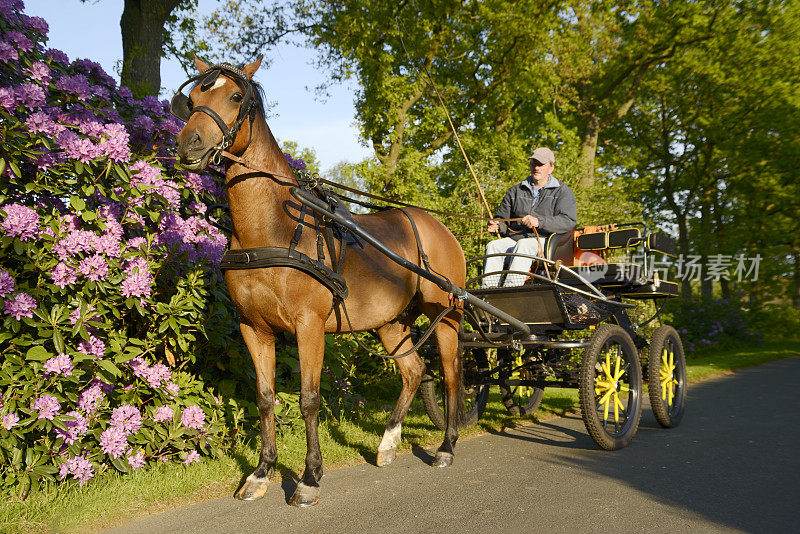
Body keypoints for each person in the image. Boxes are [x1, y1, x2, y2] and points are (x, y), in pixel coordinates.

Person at [483, 147, 577, 287]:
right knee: (493, 246)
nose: (536, 168)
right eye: (534, 163)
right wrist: (497, 226)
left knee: (524, 245)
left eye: (541, 164)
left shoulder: (563, 192)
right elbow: (502, 220)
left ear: (551, 168)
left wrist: (539, 222)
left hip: (547, 242)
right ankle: (488, 292)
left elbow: (568, 222)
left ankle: (510, 291)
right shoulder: (515, 191)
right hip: (517, 239)